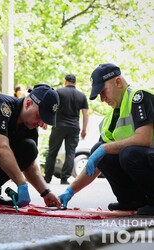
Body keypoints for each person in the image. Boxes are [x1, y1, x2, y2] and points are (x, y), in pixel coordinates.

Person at [59, 63, 154, 216]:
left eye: (103, 92)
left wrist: (106, 148)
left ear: (117, 82)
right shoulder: (109, 119)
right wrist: (70, 190)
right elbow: (95, 164)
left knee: (129, 153)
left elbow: (144, 139)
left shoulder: (139, 97)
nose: (102, 99)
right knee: (100, 150)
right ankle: (132, 201)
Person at [44, 74, 89, 184]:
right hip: (74, 127)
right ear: (75, 82)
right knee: (71, 153)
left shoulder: (59, 92)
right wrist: (84, 130)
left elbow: (50, 107)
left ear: (65, 82)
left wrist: (45, 121)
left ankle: (47, 177)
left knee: (52, 152)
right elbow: (86, 114)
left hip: (59, 126)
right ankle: (64, 178)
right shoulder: (81, 95)